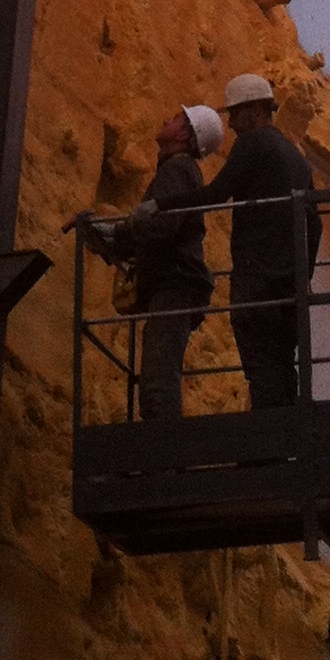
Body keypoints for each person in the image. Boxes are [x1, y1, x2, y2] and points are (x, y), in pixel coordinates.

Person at [196, 73, 324, 408]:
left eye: (235, 114)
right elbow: (317, 223)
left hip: (257, 284)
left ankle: (267, 452)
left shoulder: (252, 144)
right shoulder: (297, 159)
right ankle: (285, 445)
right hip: (288, 288)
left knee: (263, 370)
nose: (232, 125)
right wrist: (302, 275)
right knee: (283, 368)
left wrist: (161, 205)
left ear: (254, 111)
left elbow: (217, 193)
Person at [113, 102, 224, 422]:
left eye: (177, 118)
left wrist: (123, 234)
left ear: (186, 135)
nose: (167, 118)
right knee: (157, 379)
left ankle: (165, 465)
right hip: (177, 285)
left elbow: (162, 225)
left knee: (157, 382)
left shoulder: (177, 169)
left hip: (173, 286)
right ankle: (164, 462)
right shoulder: (182, 170)